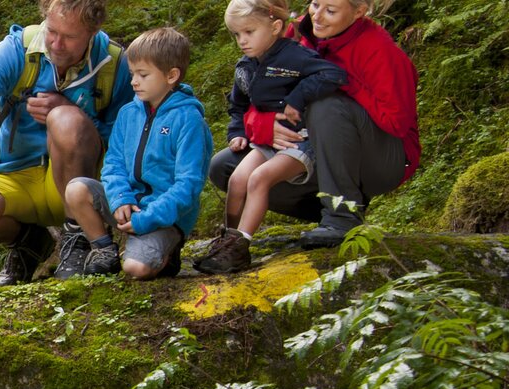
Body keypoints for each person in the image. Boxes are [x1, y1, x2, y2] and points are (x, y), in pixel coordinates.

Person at [0, 0, 133, 285]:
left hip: (78, 187)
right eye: (52, 31)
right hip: (15, 173)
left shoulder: (114, 64)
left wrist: (71, 111)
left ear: (93, 32)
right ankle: (29, 242)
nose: (57, 44)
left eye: (69, 37)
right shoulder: (17, 50)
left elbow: (125, 137)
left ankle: (78, 238)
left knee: (65, 119)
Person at [205, 0, 418, 250]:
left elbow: (396, 122)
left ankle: (341, 218)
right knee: (225, 168)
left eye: (331, 10)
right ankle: (322, 211)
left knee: (325, 103)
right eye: (315, 4)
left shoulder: (380, 50)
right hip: (312, 146)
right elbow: (261, 92)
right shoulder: (294, 36)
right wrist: (261, 123)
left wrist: (342, 82)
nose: (318, 16)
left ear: (359, 12)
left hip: (382, 160)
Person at [196, 0, 345, 274]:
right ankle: (229, 239)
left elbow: (332, 74)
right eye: (237, 34)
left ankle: (241, 247)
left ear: (276, 27)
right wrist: (237, 132)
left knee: (258, 179)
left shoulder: (294, 56)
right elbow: (238, 105)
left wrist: (298, 98)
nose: (242, 41)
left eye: (249, 32)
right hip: (267, 141)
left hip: (301, 140)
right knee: (238, 178)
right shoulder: (245, 67)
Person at [58, 27, 211, 280]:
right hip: (130, 202)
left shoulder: (188, 119)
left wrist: (147, 219)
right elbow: (114, 164)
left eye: (143, 74)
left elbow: (189, 185)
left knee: (135, 269)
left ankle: (167, 253)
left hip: (164, 216)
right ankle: (104, 250)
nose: (133, 82)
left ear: (171, 75)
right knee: (76, 190)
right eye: (132, 74)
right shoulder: (129, 113)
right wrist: (120, 198)